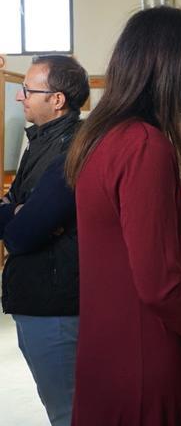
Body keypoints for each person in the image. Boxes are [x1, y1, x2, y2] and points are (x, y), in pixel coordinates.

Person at [64, 6, 181, 425]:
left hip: (108, 352)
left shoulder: (105, 135)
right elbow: (158, 285)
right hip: (144, 360)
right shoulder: (144, 145)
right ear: (178, 71)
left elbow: (149, 271)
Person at [0, 55, 88, 426]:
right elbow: (11, 206)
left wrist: (16, 212)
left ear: (57, 100)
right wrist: (15, 209)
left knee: (68, 412)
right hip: (37, 296)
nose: (20, 98)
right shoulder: (40, 143)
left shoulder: (70, 149)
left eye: (27, 91)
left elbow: (22, 234)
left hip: (54, 303)